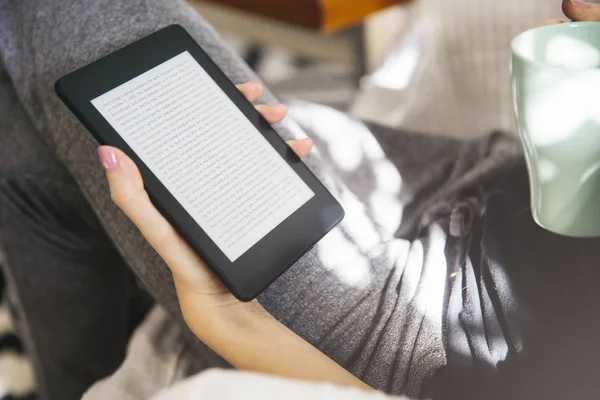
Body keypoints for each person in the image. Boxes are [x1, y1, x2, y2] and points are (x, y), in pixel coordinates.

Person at [1, 1, 600, 400]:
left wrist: (235, 322)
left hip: (425, 330)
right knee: (59, 117)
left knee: (51, 19)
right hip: (493, 181)